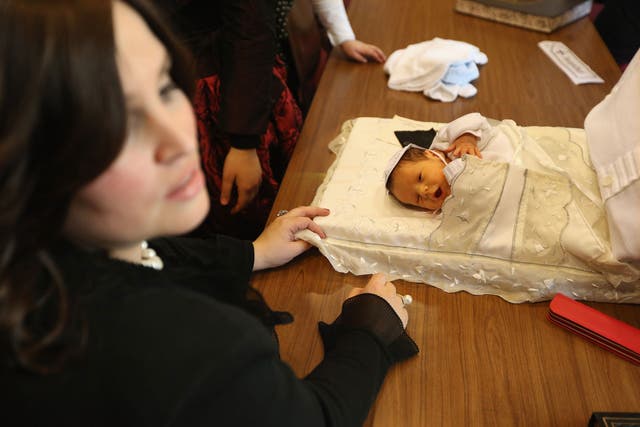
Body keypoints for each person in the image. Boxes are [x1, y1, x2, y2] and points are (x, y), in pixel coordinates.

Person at [0, 0, 418, 425]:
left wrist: (253, 252)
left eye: (165, 88)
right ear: (21, 160)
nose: (178, 139)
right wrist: (370, 330)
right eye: (121, 124)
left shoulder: (46, 260)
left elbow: (159, 252)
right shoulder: (185, 347)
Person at [155, 0, 304, 240]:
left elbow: (251, 31)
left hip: (227, 99)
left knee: (250, 219)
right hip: (158, 96)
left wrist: (243, 143)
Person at [384, 112, 510, 210]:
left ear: (431, 155)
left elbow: (475, 118)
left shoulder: (446, 143)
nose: (423, 191)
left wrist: (465, 138)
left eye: (420, 177)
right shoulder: (455, 200)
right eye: (418, 199)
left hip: (513, 144)